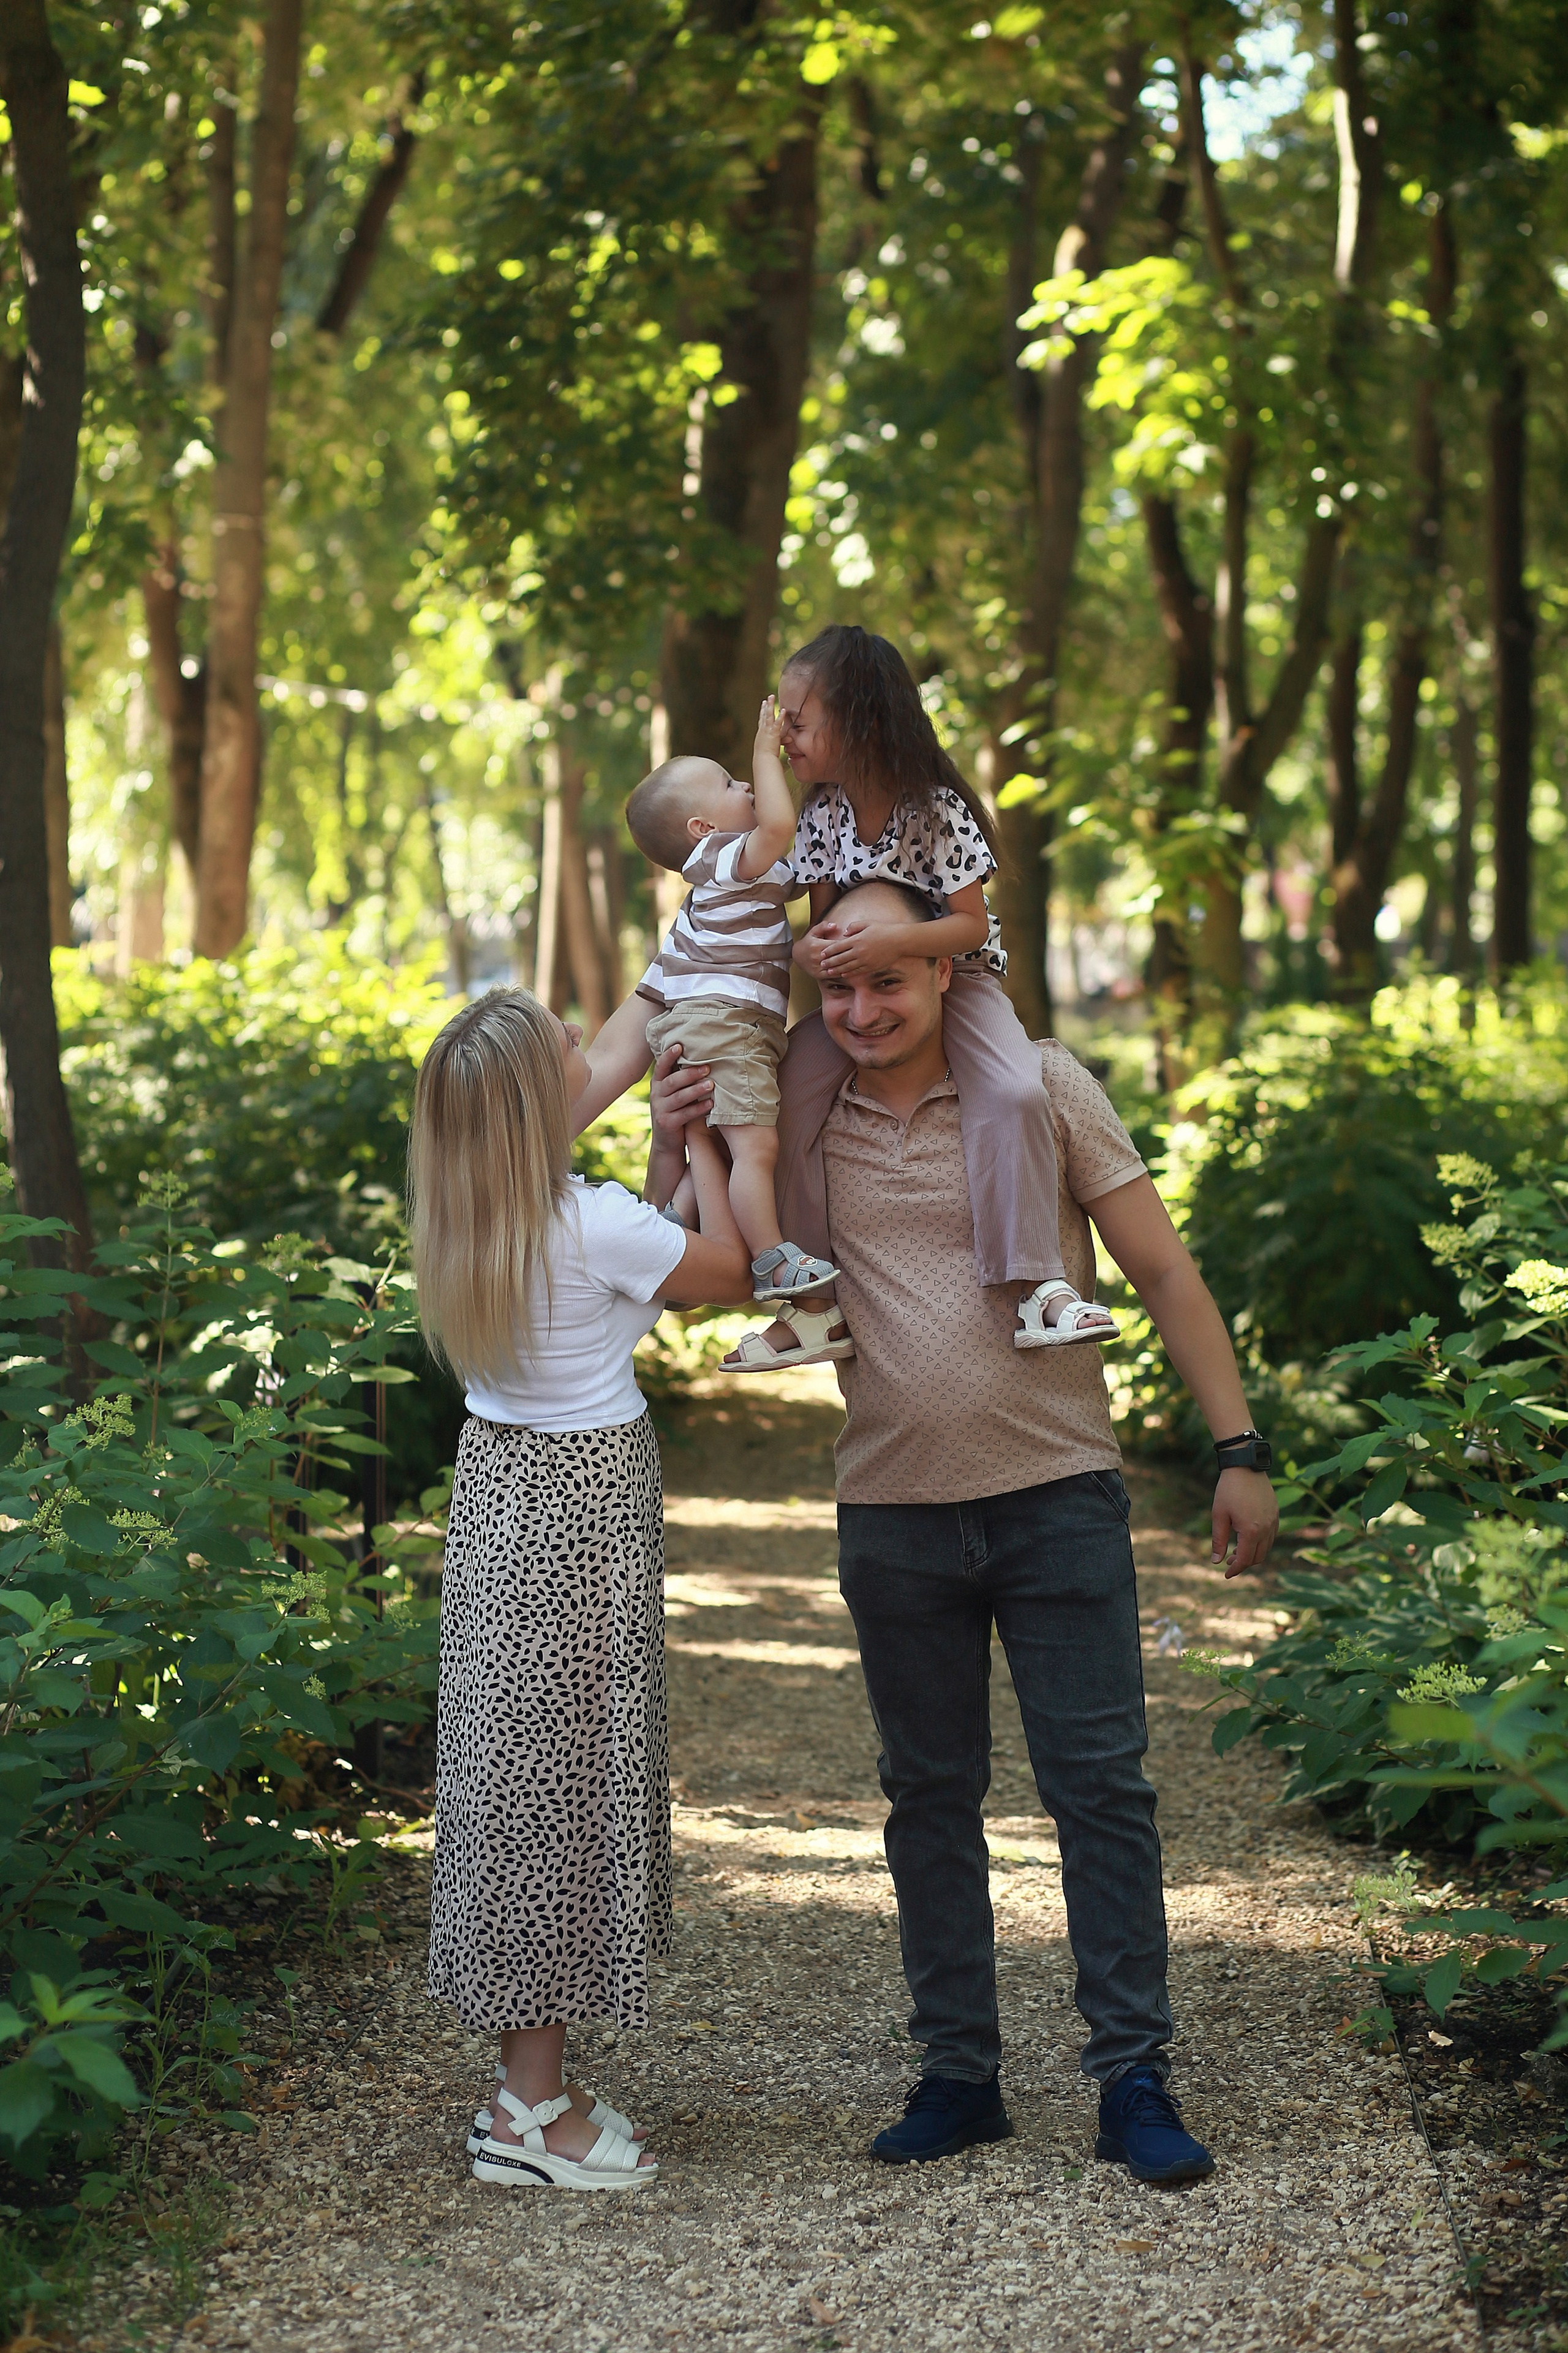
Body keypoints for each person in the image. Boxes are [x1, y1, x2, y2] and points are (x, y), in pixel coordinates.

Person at [652, 882, 1279, 2183]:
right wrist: (688, 1142)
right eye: (840, 987)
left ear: (945, 974)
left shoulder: (1037, 1085)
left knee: (1098, 1793)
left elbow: (1160, 1269)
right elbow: (690, 1265)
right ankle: (958, 2073)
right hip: (890, 1514)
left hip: (1056, 1498)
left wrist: (1236, 1449)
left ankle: (1132, 2077)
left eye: (889, 976)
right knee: (926, 1801)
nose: (863, 1006)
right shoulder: (800, 1114)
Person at [410, 989, 753, 2192]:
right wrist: (710, 1149)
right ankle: (525, 2112)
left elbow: (630, 1277)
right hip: (581, 1517)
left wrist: (661, 1151)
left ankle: (533, 2076)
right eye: (569, 1059)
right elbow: (731, 1271)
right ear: (537, 1106)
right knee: (561, 1801)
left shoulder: (478, 1223)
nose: (584, 1063)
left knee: (522, 1793)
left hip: (508, 1501)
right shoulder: (587, 1221)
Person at [762, 623, 1117, 1365]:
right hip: (867, 989)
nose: (782, 735)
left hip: (960, 979)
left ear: (858, 719)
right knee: (788, 1094)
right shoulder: (822, 813)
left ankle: (1037, 1287)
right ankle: (814, 1299)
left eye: (798, 720)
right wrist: (808, 950)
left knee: (1015, 1091)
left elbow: (967, 927)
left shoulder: (935, 809)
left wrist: (895, 945)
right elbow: (821, 923)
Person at [575, 694, 850, 1370]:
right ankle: (773, 1260)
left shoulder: (720, 899)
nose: (749, 785)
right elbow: (780, 828)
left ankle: (675, 1223)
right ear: (703, 826)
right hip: (723, 1030)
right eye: (731, 784)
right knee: (749, 1146)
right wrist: (767, 745)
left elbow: (802, 867)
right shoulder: (723, 861)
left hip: (730, 1031)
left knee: (725, 1146)